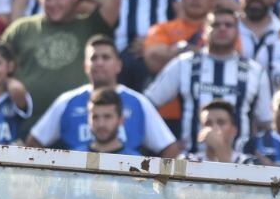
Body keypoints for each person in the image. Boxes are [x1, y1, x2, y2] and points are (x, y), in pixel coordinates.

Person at [146, 6, 272, 153]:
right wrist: (167, 142)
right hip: (192, 159)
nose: (222, 29)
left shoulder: (255, 71)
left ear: (237, 32)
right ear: (204, 31)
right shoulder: (184, 64)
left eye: (228, 25)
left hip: (240, 163)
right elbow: (149, 102)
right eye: (215, 25)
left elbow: (265, 121)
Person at [29, 35, 178, 155]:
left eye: (105, 57)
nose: (99, 63)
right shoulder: (67, 101)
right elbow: (34, 143)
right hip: (78, 185)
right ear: (85, 66)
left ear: (119, 65)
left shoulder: (138, 102)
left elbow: (169, 147)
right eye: (93, 58)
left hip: (126, 185)